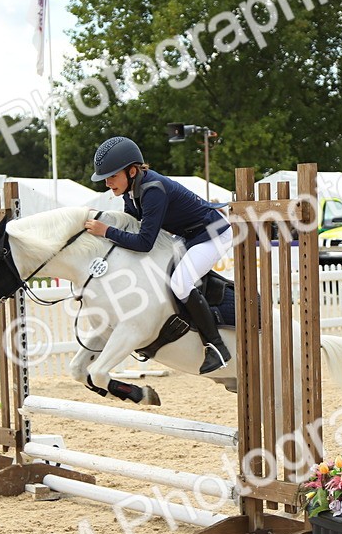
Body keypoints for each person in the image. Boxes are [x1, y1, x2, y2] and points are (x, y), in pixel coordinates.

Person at [83, 136, 233, 374]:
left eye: (112, 176)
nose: (107, 183)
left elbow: (144, 242)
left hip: (214, 235)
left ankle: (216, 347)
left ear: (132, 171)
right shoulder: (130, 192)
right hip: (188, 236)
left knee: (180, 283)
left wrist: (106, 231)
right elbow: (133, 227)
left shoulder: (153, 190)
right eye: (106, 178)